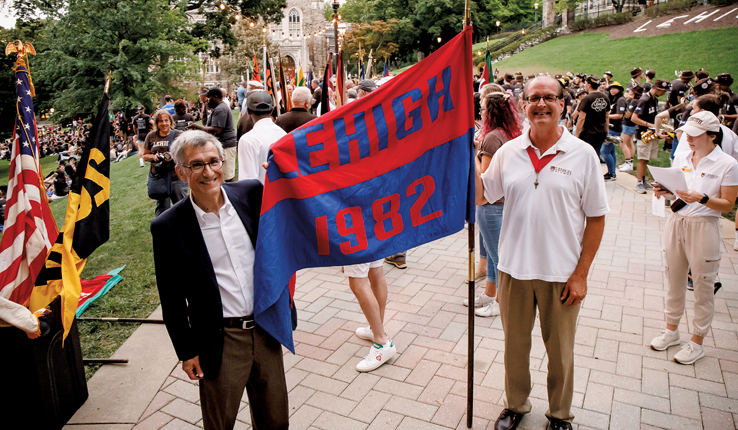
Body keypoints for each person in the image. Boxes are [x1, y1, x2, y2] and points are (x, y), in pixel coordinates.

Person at [478, 76, 608, 430]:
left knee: (560, 354)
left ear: (563, 104)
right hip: (514, 269)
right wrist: (459, 155)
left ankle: (559, 415)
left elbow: (596, 219)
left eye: (549, 98)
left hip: (561, 273)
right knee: (514, 348)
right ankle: (516, 405)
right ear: (523, 106)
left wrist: (581, 274)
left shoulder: (583, 155)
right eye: (533, 98)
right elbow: (481, 195)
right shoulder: (508, 152)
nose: (541, 105)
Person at [151, 130, 289, 430]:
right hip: (220, 339)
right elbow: (171, 297)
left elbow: (289, 218)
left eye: (214, 161)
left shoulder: (252, 193)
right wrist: (186, 351)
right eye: (196, 165)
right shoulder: (168, 227)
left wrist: (281, 175)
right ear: (180, 171)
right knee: (220, 422)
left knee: (275, 420)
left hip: (265, 329)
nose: (208, 171)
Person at [650, 111, 738, 365]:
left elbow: (728, 205)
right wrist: (665, 192)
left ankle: (697, 341)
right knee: (674, 278)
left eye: (695, 135)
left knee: (702, 284)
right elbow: (679, 195)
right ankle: (671, 330)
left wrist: (702, 198)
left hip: (705, 226)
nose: (688, 138)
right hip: (677, 221)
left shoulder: (728, 164)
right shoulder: (684, 156)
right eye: (687, 133)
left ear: (713, 136)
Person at [466, 87, 523, 318]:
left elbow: (485, 177)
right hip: (505, 202)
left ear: (490, 112)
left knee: (497, 256)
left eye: (482, 110)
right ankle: (490, 294)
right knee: (491, 253)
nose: (480, 114)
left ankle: (500, 301)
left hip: (491, 204)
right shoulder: (510, 134)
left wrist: (475, 153)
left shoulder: (491, 139)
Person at [143, 110, 187, 217]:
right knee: (162, 211)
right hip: (160, 178)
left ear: (170, 121)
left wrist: (173, 156)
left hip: (176, 177)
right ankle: (163, 232)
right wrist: (154, 157)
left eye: (166, 120)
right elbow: (145, 155)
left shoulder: (178, 135)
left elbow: (186, 154)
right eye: (160, 121)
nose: (164, 123)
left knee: (182, 207)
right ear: (156, 123)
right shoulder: (151, 136)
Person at [190, 88, 238, 182]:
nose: (207, 100)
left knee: (228, 177)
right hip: (224, 145)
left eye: (209, 97)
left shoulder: (221, 109)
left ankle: (236, 195)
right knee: (222, 177)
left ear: (215, 97)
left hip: (226, 146)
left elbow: (216, 130)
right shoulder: (219, 108)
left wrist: (197, 127)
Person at [238, 90, 286, 184]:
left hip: (261, 196)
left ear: (248, 111)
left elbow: (247, 182)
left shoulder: (247, 140)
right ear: (272, 110)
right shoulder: (284, 134)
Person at [632, 79, 670, 194]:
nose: (664, 94)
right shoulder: (644, 100)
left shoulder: (655, 99)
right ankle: (638, 183)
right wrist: (651, 125)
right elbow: (634, 118)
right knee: (643, 159)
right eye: (663, 91)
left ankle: (643, 180)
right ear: (658, 89)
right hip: (644, 133)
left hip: (651, 133)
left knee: (647, 159)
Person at [574, 75, 610, 166]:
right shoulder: (605, 97)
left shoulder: (587, 98)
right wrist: (607, 130)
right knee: (596, 155)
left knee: (584, 157)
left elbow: (581, 117)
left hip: (588, 133)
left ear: (589, 85)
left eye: (586, 83)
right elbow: (607, 116)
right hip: (601, 132)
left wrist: (577, 134)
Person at [617, 84, 643, 172]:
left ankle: (628, 163)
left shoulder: (634, 101)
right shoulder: (637, 100)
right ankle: (630, 162)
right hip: (632, 125)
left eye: (631, 90)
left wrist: (626, 112)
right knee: (630, 142)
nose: (629, 91)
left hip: (628, 124)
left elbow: (628, 115)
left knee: (623, 143)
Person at [605, 81, 627, 180]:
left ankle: (611, 173)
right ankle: (612, 172)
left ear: (619, 90)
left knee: (604, 151)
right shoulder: (615, 99)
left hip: (614, 128)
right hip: (611, 127)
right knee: (611, 151)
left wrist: (606, 116)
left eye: (614, 88)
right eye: (611, 88)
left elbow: (619, 115)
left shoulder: (621, 100)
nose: (612, 90)